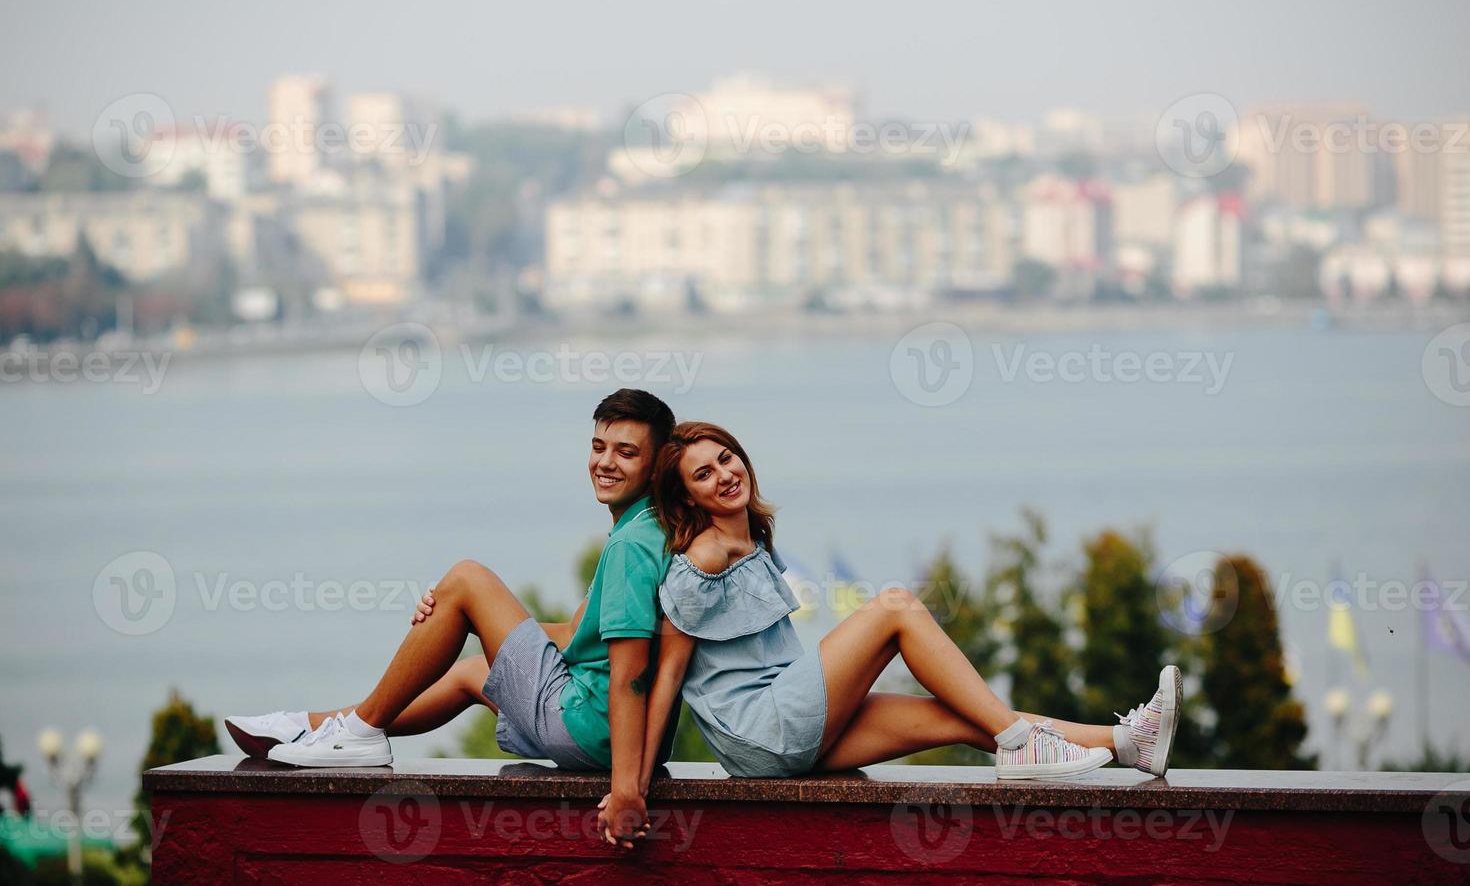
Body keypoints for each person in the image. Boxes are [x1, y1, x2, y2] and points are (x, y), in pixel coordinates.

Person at [626, 421, 1180, 794]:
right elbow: (668, 668)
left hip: (779, 727)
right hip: (762, 730)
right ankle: (1018, 744)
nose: (724, 474)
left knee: (961, 715)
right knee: (895, 605)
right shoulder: (706, 552)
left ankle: (1129, 743)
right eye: (704, 474)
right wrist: (634, 784)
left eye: (726, 458)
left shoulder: (749, 537)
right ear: (688, 498)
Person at [225, 388, 677, 846]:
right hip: (603, 731)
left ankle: (358, 733)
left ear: (657, 465)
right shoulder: (649, 527)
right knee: (472, 672)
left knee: (467, 577)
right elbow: (579, 634)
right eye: (598, 447)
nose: (605, 462)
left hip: (591, 730)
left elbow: (630, 673)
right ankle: (314, 726)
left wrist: (626, 788)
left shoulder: (629, 547)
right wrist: (469, 616)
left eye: (626, 452)